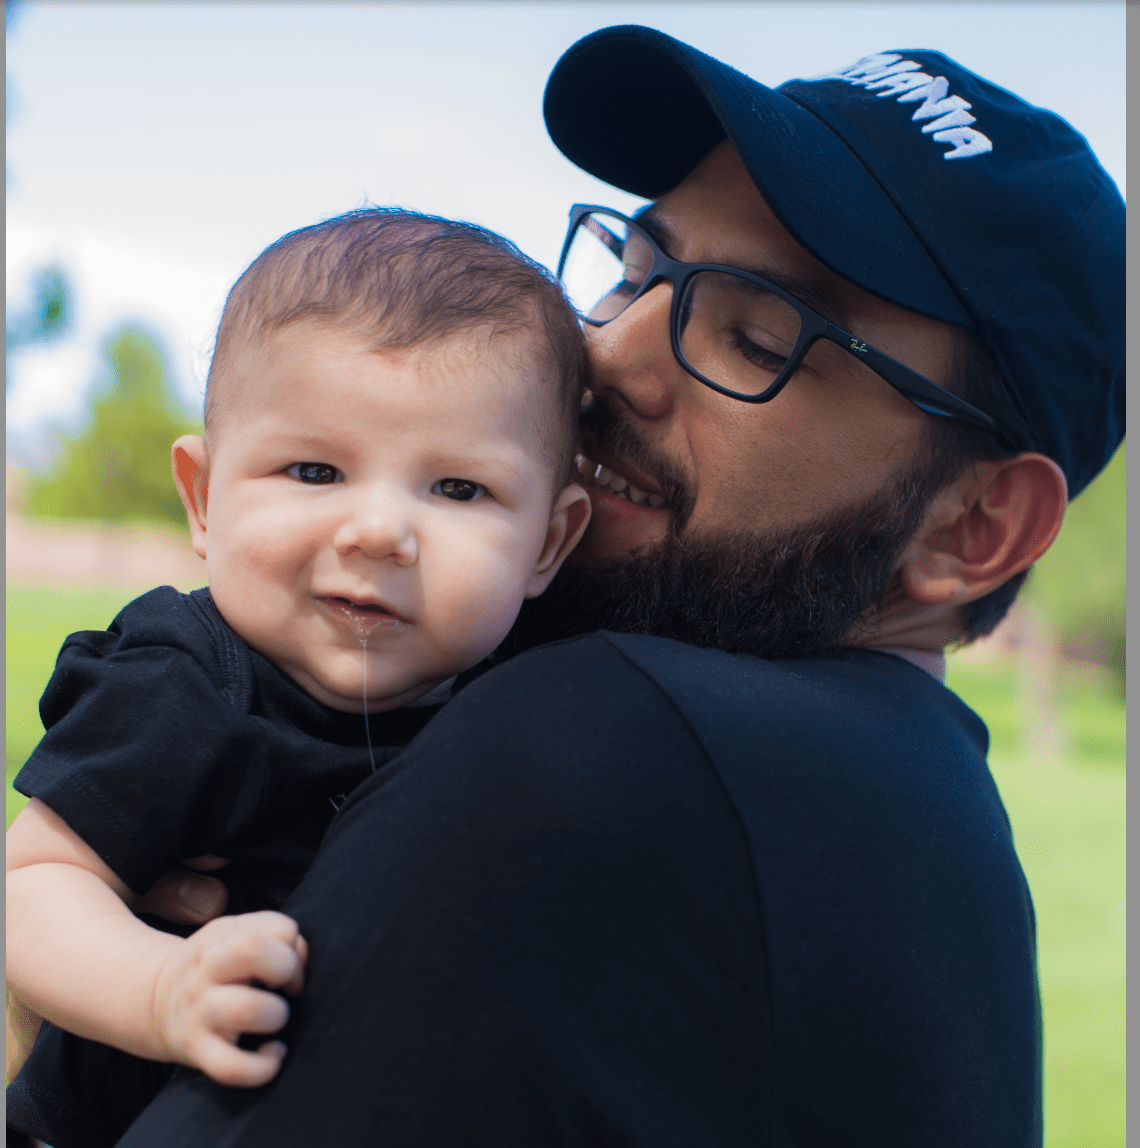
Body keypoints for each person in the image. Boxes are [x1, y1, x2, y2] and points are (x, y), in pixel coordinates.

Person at [26, 27, 1127, 1147]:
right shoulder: (931, 839)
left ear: (973, 525)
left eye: (755, 336)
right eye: (636, 272)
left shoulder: (613, 738)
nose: (608, 356)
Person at [4, 209, 591, 1146]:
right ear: (203, 499)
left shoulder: (525, 704)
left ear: (549, 544)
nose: (377, 531)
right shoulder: (188, 683)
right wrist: (159, 988)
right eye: (314, 470)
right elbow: (34, 882)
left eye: (457, 489)